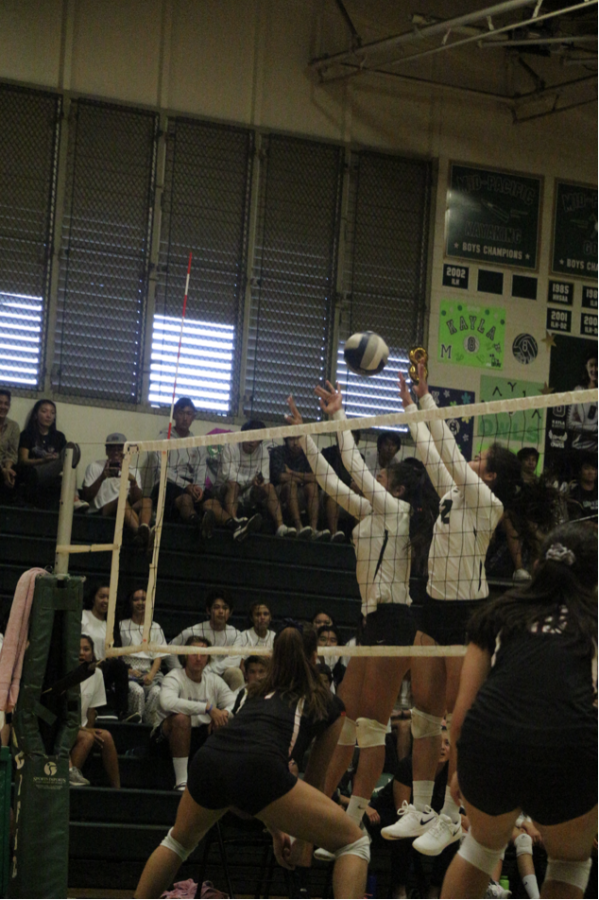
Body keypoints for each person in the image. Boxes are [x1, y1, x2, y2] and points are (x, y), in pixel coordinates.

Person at [286, 387, 435, 843]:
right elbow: (332, 482)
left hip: (395, 620)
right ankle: (321, 813)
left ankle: (350, 825)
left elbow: (351, 467)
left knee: (372, 724)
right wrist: (308, 438)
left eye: (383, 475)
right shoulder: (371, 513)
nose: (375, 476)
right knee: (345, 717)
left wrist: (338, 416)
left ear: (399, 486)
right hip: (368, 620)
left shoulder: (399, 511)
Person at [391, 363, 523, 857]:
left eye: (480, 456)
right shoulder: (455, 490)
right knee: (423, 712)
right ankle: (422, 808)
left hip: (468, 611)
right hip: (433, 604)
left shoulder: (486, 502)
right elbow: (430, 452)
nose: (471, 457)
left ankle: (452, 815)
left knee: (458, 722)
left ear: (489, 474)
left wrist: (429, 401)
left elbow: (444, 445)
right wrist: (410, 403)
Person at [135, 626, 370, 899]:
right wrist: (301, 841)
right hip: (260, 770)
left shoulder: (253, 691)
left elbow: (246, 775)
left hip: (209, 760)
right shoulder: (329, 703)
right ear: (315, 656)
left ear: (273, 656)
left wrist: (276, 831)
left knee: (177, 842)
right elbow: (315, 782)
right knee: (355, 843)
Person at [440, 522, 597, 900]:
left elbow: (461, 716)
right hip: (566, 750)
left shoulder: (497, 613)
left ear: (539, 564)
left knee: (480, 848)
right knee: (570, 862)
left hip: (491, 745)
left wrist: (467, 769)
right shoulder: (591, 621)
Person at [154, 636, 237, 791]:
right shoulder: (174, 676)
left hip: (199, 735)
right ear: (185, 655)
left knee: (223, 721)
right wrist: (207, 708)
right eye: (194, 653)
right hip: (166, 738)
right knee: (181, 718)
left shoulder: (213, 680)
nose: (198, 658)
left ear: (208, 658)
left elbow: (235, 703)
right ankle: (181, 782)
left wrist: (223, 713)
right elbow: (167, 702)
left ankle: (219, 780)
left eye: (203, 654)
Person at [214, 419, 288, 537]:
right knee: (233, 484)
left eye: (256, 437)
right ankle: (234, 522)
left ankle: (280, 527)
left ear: (260, 440)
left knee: (269, 487)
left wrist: (259, 483)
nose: (252, 441)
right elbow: (227, 475)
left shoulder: (263, 452)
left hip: (250, 491)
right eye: (249, 435)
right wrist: (250, 481)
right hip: (225, 490)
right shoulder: (231, 446)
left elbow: (266, 479)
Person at [81, 432, 153, 549]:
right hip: (102, 510)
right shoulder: (95, 467)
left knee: (147, 501)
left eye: (120, 447)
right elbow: (86, 497)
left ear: (126, 450)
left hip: (125, 509)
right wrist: (102, 477)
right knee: (121, 501)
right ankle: (145, 536)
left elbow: (138, 500)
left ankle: (143, 531)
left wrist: (133, 482)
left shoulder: (133, 471)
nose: (115, 451)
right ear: (106, 450)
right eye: (111, 448)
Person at [168, 589, 245, 691]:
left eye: (225, 608)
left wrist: (209, 671)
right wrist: (179, 673)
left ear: (230, 612)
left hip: (221, 677)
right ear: (208, 610)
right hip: (196, 676)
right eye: (216, 607)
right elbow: (169, 650)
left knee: (236, 673)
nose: (221, 611)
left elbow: (234, 661)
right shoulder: (194, 630)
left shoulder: (236, 634)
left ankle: (236, 706)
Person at [70, 635, 121, 788]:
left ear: (92, 654)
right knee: (87, 738)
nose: (81, 653)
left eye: (86, 649)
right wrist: (85, 731)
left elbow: (92, 711)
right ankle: (70, 777)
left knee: (106, 737)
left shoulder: (97, 674)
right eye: (77, 649)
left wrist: (89, 729)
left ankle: (118, 790)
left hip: (82, 727)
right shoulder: (63, 673)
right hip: (64, 726)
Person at [81, 583, 132, 722]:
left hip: (102, 669)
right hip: (83, 667)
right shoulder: (83, 617)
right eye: (102, 597)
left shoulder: (110, 626)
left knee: (120, 666)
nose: (105, 601)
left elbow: (114, 653)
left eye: (109, 598)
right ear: (93, 598)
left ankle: (123, 712)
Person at [17, 399, 80, 509]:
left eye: (52, 412)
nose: (49, 415)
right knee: (69, 456)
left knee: (71, 452)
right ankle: (74, 498)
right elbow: (23, 460)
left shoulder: (59, 437)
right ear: (36, 415)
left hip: (53, 474)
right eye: (44, 411)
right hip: (33, 473)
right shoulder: (27, 434)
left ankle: (75, 497)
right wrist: (43, 460)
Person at [119, 587, 167, 723]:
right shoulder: (121, 625)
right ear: (130, 602)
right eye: (136, 599)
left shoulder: (155, 627)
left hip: (149, 671)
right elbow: (116, 656)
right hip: (128, 670)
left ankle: (150, 725)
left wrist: (151, 675)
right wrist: (128, 670)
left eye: (144, 599)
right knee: (137, 692)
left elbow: (158, 656)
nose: (140, 602)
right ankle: (135, 722)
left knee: (157, 692)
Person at [270, 435, 330, 540]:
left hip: (301, 491)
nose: (295, 443)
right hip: (281, 492)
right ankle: (299, 527)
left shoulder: (308, 455)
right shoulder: (277, 452)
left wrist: (292, 472)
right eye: (292, 439)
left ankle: (313, 530)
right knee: (291, 483)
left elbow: (317, 478)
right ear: (286, 439)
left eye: (298, 439)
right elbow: (280, 476)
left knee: (313, 487)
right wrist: (304, 478)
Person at [566, 353, 597, 452]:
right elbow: (570, 424)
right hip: (578, 449)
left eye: (597, 365)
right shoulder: (578, 391)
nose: (594, 369)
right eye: (591, 365)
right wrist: (594, 428)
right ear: (586, 367)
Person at [563, 451, 598, 522]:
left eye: (593, 469)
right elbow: (576, 521)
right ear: (580, 471)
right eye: (586, 468)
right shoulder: (574, 494)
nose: (590, 472)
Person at [0, 388, 19, 504]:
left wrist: (7, 468)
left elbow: (12, 453)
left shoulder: (13, 426)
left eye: (6, 404)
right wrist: (2, 470)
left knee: (18, 473)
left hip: (5, 465)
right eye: (0, 403)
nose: (3, 407)